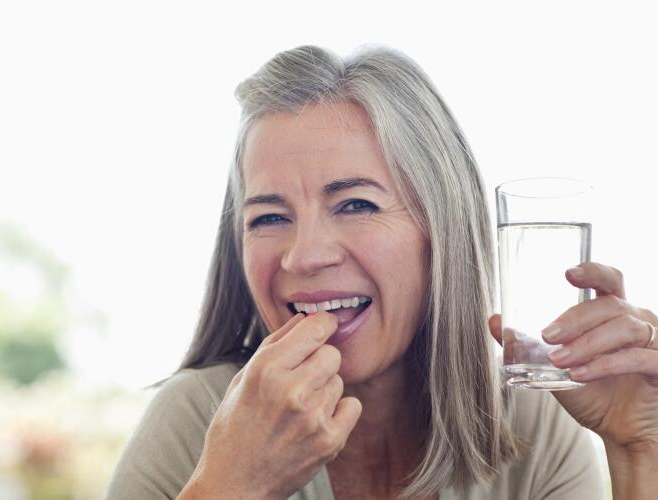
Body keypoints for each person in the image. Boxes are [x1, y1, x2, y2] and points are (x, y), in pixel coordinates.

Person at [105, 45, 658, 499]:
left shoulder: (535, 423)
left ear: (442, 229)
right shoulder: (196, 423)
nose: (304, 256)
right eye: (269, 217)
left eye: (356, 204)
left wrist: (640, 450)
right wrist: (233, 487)